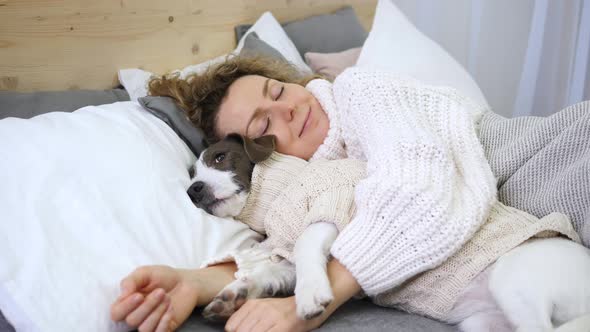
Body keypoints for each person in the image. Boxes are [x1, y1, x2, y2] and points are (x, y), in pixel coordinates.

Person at [109, 55, 585, 332]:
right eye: (263, 126)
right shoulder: (322, 180)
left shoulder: (359, 91)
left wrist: (311, 306)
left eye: (278, 92)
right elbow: (300, 248)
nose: (287, 113)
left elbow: (416, 193)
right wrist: (195, 283)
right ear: (262, 156)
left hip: (563, 159)